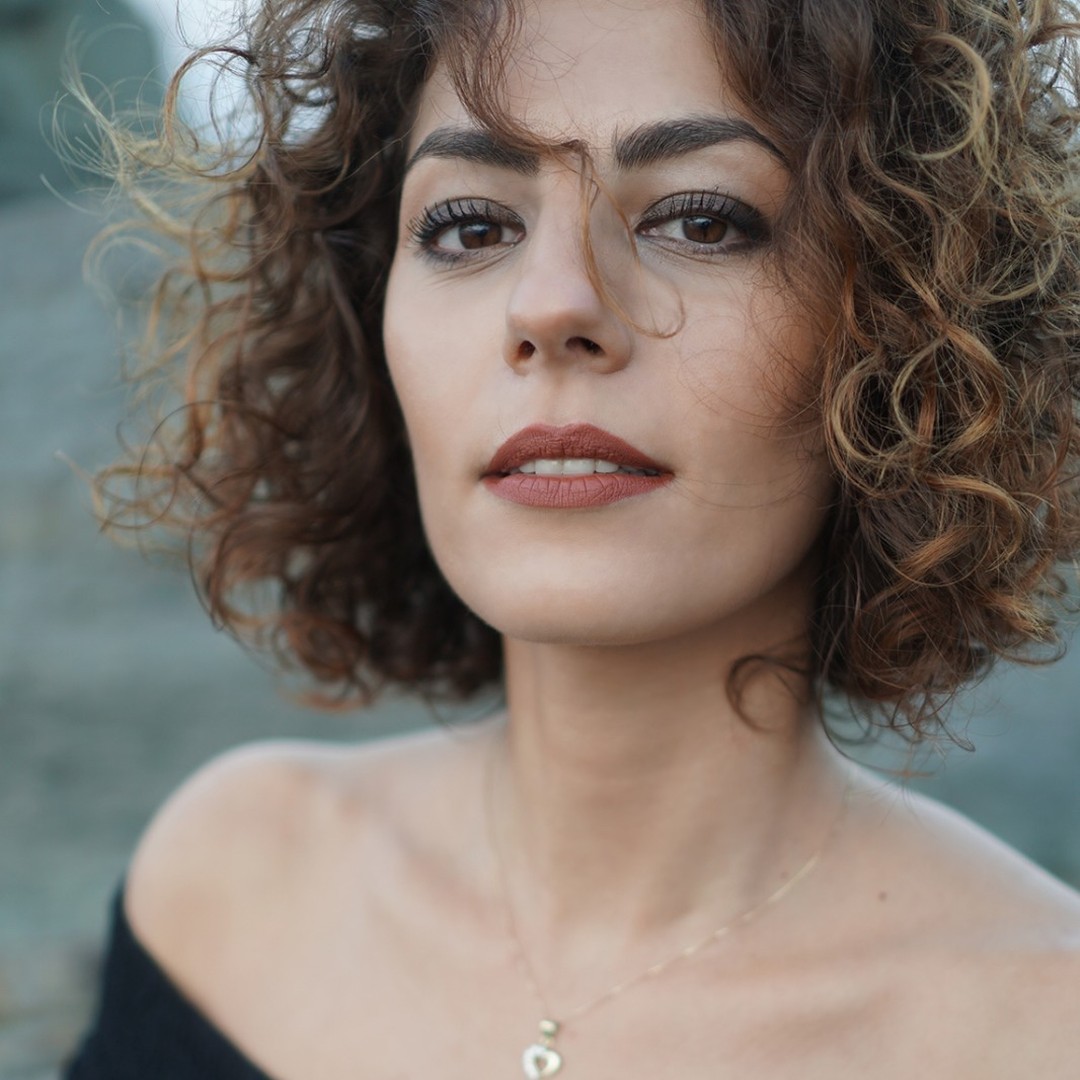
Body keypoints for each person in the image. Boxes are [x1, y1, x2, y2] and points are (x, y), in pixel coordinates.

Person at [64, 0, 1080, 1076]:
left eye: (700, 221)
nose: (550, 306)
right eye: (470, 228)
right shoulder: (227, 886)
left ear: (907, 327)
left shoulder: (1039, 1030)